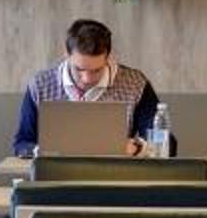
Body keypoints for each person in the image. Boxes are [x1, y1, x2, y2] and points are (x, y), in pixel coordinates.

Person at [11, 17, 161, 158]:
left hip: (114, 172)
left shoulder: (135, 83)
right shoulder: (40, 85)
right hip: (54, 173)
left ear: (108, 57)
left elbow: (164, 143)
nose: (87, 79)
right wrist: (40, 151)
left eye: (97, 70)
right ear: (66, 54)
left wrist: (136, 148)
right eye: (79, 69)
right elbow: (21, 144)